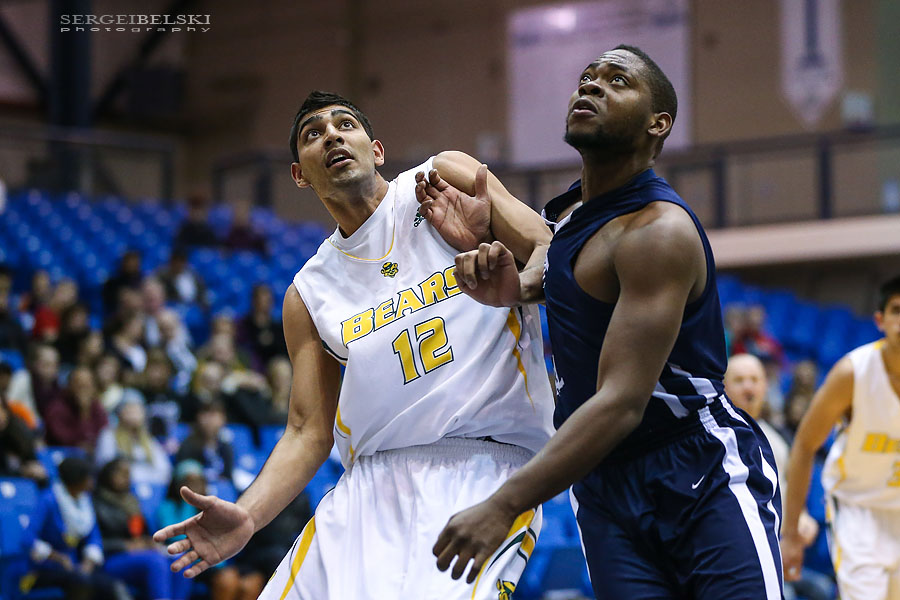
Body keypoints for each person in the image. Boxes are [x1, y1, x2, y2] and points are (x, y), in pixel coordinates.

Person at [153, 90, 555, 599]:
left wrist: (504, 273)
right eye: (312, 134)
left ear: (377, 148)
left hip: (481, 467)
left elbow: (551, 253)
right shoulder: (309, 292)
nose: (332, 136)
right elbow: (306, 431)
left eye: (345, 125)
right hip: (367, 485)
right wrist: (249, 516)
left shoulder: (444, 179)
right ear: (300, 173)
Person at [428, 45, 782, 598]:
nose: (591, 87)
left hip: (697, 467)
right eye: (587, 78)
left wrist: (504, 503)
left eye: (617, 81)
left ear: (657, 123)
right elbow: (561, 268)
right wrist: (515, 288)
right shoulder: (568, 218)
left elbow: (620, 402)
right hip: (602, 483)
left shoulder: (657, 232)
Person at [782, 275, 900, 600]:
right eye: (897, 310)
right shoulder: (854, 373)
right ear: (880, 320)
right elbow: (805, 445)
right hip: (858, 510)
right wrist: (791, 534)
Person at [725, 353, 831, 600]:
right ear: (724, 385)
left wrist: (801, 519)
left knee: (822, 590)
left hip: (777, 549)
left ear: (765, 386)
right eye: (739, 380)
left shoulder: (779, 440)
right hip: (738, 552)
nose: (748, 386)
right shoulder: (711, 437)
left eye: (754, 379)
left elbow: (788, 492)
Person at [21, 456, 124, 600]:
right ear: (77, 480)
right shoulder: (49, 500)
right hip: (42, 569)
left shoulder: (85, 502)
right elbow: (27, 538)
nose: (92, 483)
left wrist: (88, 563)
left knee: (113, 585)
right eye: (88, 478)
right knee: (81, 581)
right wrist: (57, 557)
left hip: (75, 568)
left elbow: (94, 537)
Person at [94, 457, 187, 600]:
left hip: (140, 554)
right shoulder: (97, 503)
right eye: (121, 474)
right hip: (111, 558)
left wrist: (148, 542)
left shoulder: (132, 501)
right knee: (155, 561)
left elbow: (140, 532)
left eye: (128, 474)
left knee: (181, 560)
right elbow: (92, 542)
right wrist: (125, 545)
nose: (127, 478)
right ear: (108, 475)